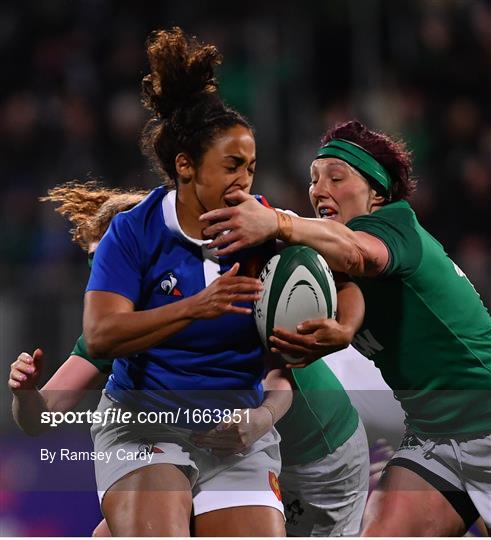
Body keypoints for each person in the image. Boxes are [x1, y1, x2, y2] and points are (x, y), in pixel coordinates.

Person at [11, 173, 369, 536]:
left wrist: (263, 416)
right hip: (229, 453)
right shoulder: (114, 333)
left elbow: (287, 367)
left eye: (109, 257)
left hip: (317, 455)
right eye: (95, 260)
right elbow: (44, 416)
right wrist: (26, 395)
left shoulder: (227, 285)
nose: (102, 272)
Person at [198, 119, 491, 536]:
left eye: (337, 177)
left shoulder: (393, 224)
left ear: (377, 192)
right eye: (314, 180)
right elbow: (345, 288)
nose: (320, 190)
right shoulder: (319, 260)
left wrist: (279, 222)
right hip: (434, 437)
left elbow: (359, 257)